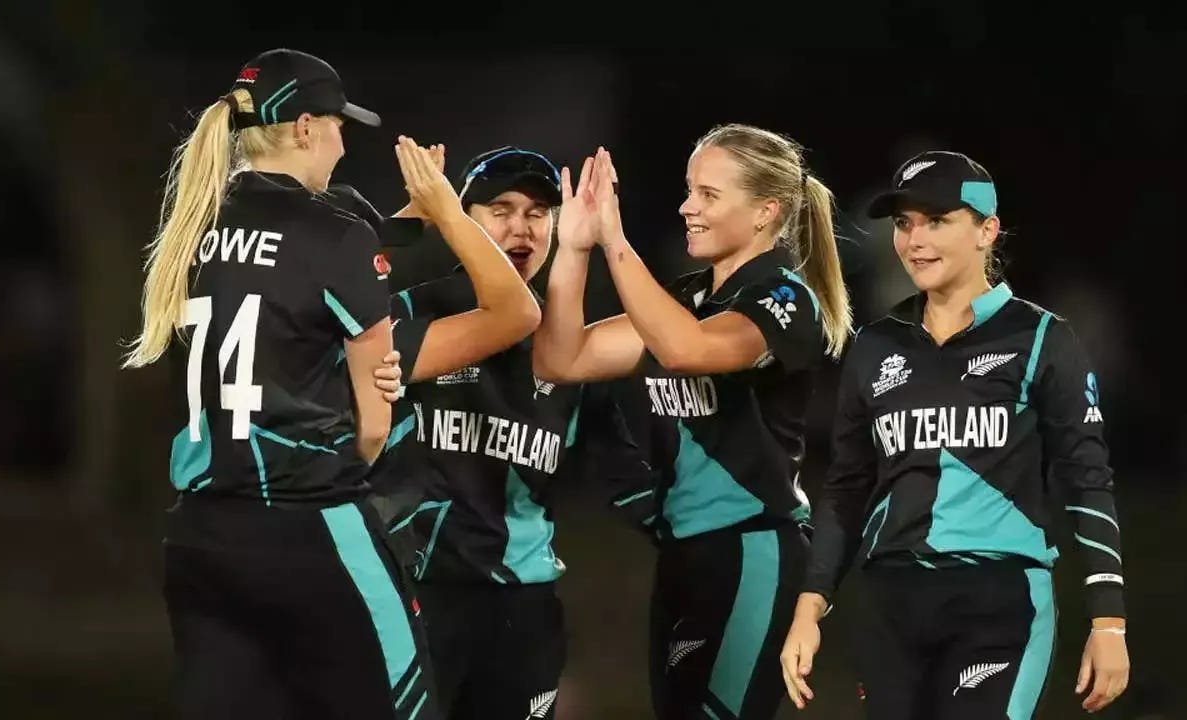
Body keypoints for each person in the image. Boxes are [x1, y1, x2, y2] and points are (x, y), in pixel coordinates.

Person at [119, 48, 457, 720]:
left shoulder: (194, 222)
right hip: (312, 525)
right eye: (336, 125)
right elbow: (373, 427)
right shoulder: (335, 232)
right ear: (304, 127)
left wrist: (415, 216)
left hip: (201, 538)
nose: (342, 142)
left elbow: (309, 269)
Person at [780, 151, 1131, 719]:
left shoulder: (1041, 338)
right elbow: (846, 488)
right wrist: (808, 608)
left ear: (987, 231)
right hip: (891, 605)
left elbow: (1088, 479)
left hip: (1000, 601)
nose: (914, 240)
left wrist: (1108, 621)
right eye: (904, 223)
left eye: (937, 220)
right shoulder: (875, 346)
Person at [533, 124, 854, 720]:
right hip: (683, 554)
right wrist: (574, 249)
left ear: (765, 212)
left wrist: (615, 241)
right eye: (688, 190)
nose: (687, 207)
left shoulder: (786, 300)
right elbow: (561, 358)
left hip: (753, 551)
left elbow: (688, 349)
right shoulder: (685, 300)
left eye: (708, 194)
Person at [363, 145, 655, 720]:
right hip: (412, 595)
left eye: (538, 213)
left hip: (522, 610)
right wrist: (409, 218)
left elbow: (625, 480)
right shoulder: (408, 316)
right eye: (500, 210)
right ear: (461, 218)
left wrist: (718, 533)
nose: (521, 228)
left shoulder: (566, 348)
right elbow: (320, 297)